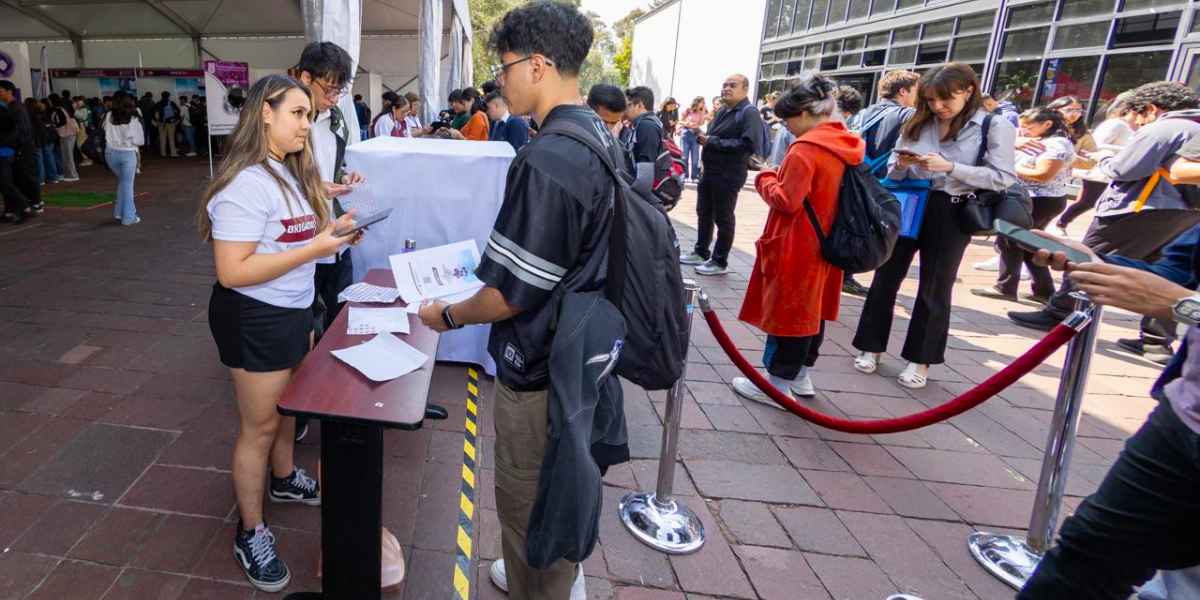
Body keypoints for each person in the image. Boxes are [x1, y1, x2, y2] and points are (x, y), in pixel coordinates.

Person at [417, 3, 604, 597]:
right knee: (562, 480)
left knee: (526, 496)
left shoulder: (547, 157)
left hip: (541, 361)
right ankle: (551, 576)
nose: (501, 80)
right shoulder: (596, 132)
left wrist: (445, 314)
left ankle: (537, 584)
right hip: (582, 348)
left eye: (505, 67)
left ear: (540, 64)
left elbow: (506, 296)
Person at [201, 74, 361, 593]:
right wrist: (317, 248)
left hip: (295, 308)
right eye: (297, 113)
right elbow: (233, 271)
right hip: (255, 317)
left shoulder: (287, 171)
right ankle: (251, 530)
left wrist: (331, 232)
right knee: (260, 427)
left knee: (290, 409)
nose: (305, 124)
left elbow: (292, 237)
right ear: (264, 112)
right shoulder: (244, 183)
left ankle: (286, 477)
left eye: (308, 116)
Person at [1010, 217, 1200, 597]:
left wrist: (1184, 307)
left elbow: (1178, 297)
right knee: (1084, 559)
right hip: (1182, 417)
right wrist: (1093, 262)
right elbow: (1174, 272)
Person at [1008, 82, 1200, 365]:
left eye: (1133, 117)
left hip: (1137, 209)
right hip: (1184, 214)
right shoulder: (1193, 126)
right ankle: (1156, 340)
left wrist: (1106, 158)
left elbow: (1124, 168)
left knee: (1089, 261)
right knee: (1169, 272)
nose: (1133, 124)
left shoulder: (1166, 127)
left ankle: (1062, 312)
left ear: (1149, 109)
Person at [852, 63, 1016, 389]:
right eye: (930, 100)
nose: (938, 107)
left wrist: (952, 167)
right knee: (886, 276)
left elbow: (1003, 177)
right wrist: (900, 163)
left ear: (968, 91)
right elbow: (891, 170)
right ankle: (870, 347)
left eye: (945, 100)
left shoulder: (993, 125)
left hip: (952, 208)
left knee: (935, 286)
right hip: (910, 202)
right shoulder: (919, 120)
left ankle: (920, 360)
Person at [730, 74, 864, 406]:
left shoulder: (805, 149)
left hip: (797, 242)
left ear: (804, 113)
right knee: (813, 312)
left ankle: (778, 384)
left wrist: (764, 177)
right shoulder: (845, 142)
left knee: (788, 313)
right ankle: (801, 376)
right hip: (827, 241)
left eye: (788, 120)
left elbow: (787, 200)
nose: (786, 127)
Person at [972, 106, 1075, 303]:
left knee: (1011, 240)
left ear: (1047, 124)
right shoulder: (1046, 141)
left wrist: (1012, 169)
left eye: (1029, 126)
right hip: (1036, 198)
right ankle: (1044, 290)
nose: (1024, 130)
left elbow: (1044, 174)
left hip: (1039, 199)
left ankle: (1006, 287)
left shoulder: (1055, 145)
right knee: (1029, 243)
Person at [679, 74, 764, 276]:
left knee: (723, 217)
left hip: (728, 173)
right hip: (710, 171)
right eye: (724, 85)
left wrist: (712, 142)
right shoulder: (724, 110)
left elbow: (748, 144)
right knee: (704, 212)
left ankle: (719, 261)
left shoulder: (749, 112)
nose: (726, 88)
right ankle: (701, 252)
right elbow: (716, 137)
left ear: (745, 89)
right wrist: (704, 138)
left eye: (732, 85)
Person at [1056, 93, 1138, 232]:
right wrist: (1126, 150)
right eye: (1070, 110)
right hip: (1098, 170)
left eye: (1078, 111)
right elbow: (1097, 145)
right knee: (1088, 201)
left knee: (1093, 201)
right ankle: (1062, 223)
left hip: (1111, 170)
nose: (1075, 114)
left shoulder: (1134, 128)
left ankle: (1063, 223)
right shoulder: (1116, 124)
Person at [0, 81, 40, 215]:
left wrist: (11, 146)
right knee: (12, 179)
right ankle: (13, 209)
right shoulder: (10, 108)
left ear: (9, 91)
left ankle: (31, 204)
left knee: (19, 178)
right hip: (14, 149)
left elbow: (22, 131)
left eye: (1, 90)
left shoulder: (16, 108)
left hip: (18, 149)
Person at [104, 95, 144, 226]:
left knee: (123, 183)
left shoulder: (109, 115)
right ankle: (128, 217)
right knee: (127, 185)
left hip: (110, 154)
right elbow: (140, 141)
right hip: (128, 154)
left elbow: (105, 131)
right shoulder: (133, 118)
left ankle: (119, 212)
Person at [622, 85, 664, 196]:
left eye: (628, 105)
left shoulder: (646, 126)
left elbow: (645, 177)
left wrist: (632, 199)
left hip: (643, 196)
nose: (625, 110)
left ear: (640, 105)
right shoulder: (647, 123)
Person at [679, 96, 707, 182]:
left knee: (695, 158)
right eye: (702, 102)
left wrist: (702, 112)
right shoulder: (688, 110)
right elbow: (680, 121)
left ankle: (694, 176)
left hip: (695, 134)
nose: (703, 104)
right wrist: (687, 123)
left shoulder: (702, 111)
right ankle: (685, 176)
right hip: (686, 133)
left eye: (704, 102)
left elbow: (701, 123)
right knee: (684, 157)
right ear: (697, 102)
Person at [155, 91, 181, 158]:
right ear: (168, 96)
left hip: (161, 123)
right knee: (171, 139)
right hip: (171, 122)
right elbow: (178, 111)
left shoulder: (158, 103)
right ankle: (173, 153)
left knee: (162, 139)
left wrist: (158, 121)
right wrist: (175, 119)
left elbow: (155, 113)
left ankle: (163, 153)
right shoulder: (171, 103)